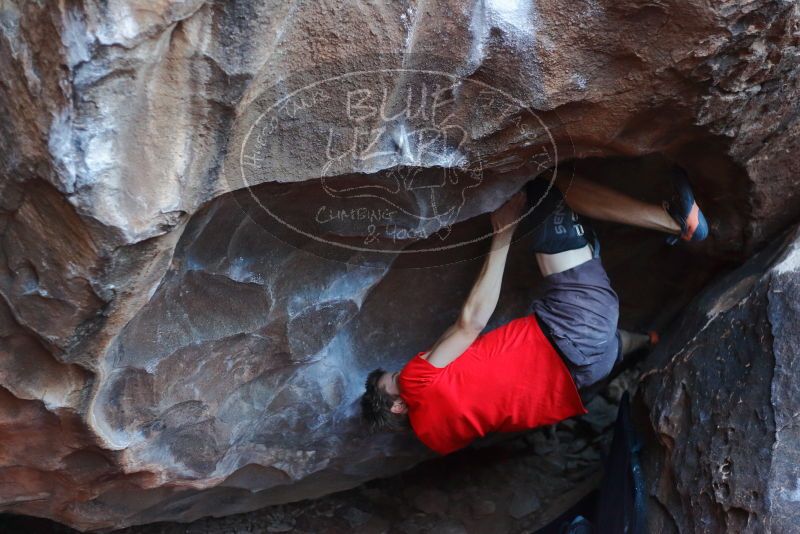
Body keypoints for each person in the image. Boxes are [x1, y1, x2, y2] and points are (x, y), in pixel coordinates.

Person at [360, 165, 709, 454]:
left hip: (589, 371)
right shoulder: (413, 384)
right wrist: (504, 230)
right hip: (576, 324)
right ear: (397, 405)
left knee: (615, 343)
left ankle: (648, 339)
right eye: (391, 379)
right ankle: (676, 222)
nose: (401, 371)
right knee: (543, 187)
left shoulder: (439, 440)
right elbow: (471, 323)